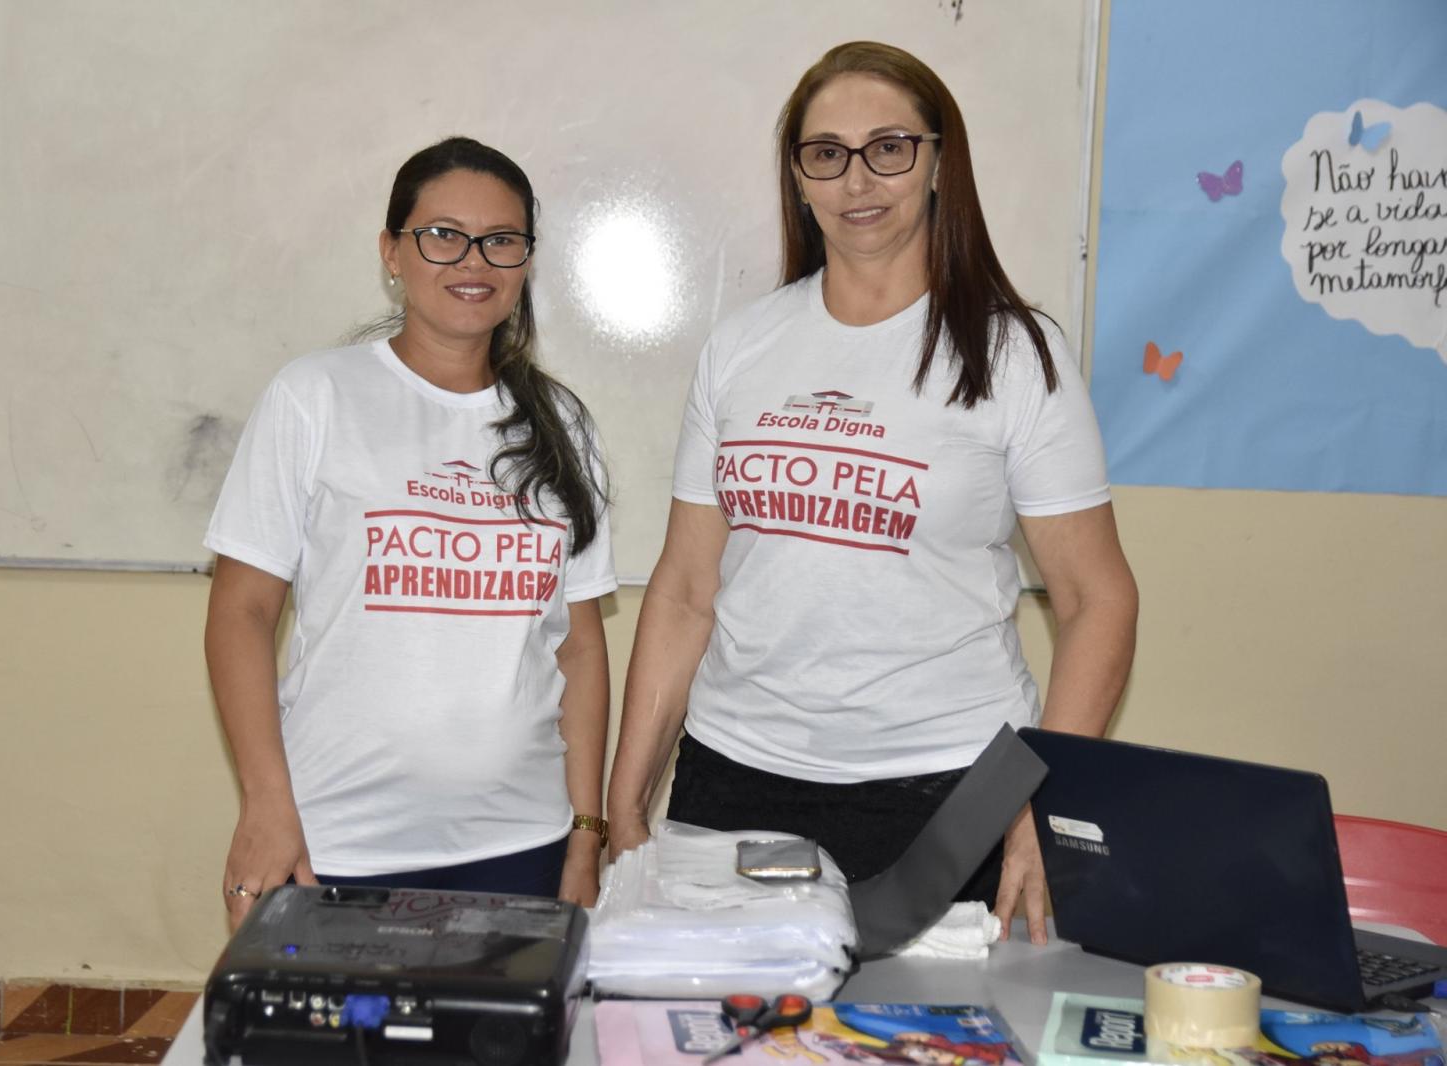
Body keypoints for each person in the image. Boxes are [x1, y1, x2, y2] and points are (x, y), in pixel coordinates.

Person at [605, 42, 1138, 943]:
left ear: (938, 162)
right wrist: (622, 810)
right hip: (734, 780)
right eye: (827, 153)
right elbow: (686, 590)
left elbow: (1098, 598)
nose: (859, 179)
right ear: (799, 177)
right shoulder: (742, 347)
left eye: (889, 147)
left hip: (950, 794)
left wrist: (1043, 803)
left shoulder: (1015, 355)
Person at [204, 137, 616, 930]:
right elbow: (241, 614)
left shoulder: (562, 424)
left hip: (522, 844)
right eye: (442, 235)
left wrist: (584, 834)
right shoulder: (316, 395)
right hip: (339, 840)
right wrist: (265, 805)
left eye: (502, 239)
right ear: (393, 251)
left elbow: (582, 648)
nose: (474, 260)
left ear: (527, 259)